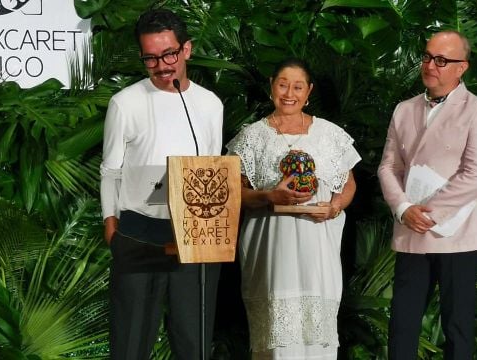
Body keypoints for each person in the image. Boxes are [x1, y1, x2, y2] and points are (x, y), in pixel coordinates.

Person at [99, 8, 223, 360]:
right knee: (130, 341)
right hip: (138, 230)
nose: (162, 65)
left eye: (169, 54)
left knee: (193, 339)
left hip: (196, 230)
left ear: (187, 49)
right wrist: (112, 225)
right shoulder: (125, 103)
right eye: (150, 58)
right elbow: (111, 170)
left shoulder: (210, 105)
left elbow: (211, 169)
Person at [377, 31, 477, 359]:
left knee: (457, 325)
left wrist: (427, 212)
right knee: (402, 322)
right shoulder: (403, 109)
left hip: (457, 232)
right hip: (411, 229)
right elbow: (388, 167)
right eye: (428, 56)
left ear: (462, 68)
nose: (431, 65)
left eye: (442, 60)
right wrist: (404, 209)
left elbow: (476, 175)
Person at [226, 58, 361, 359]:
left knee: (316, 338)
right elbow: (235, 193)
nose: (289, 93)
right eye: (283, 84)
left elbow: (348, 183)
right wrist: (269, 196)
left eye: (298, 86)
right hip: (271, 251)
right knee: (277, 339)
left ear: (309, 91)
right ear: (272, 86)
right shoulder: (252, 137)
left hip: (317, 249)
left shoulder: (329, 134)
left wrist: (336, 205)